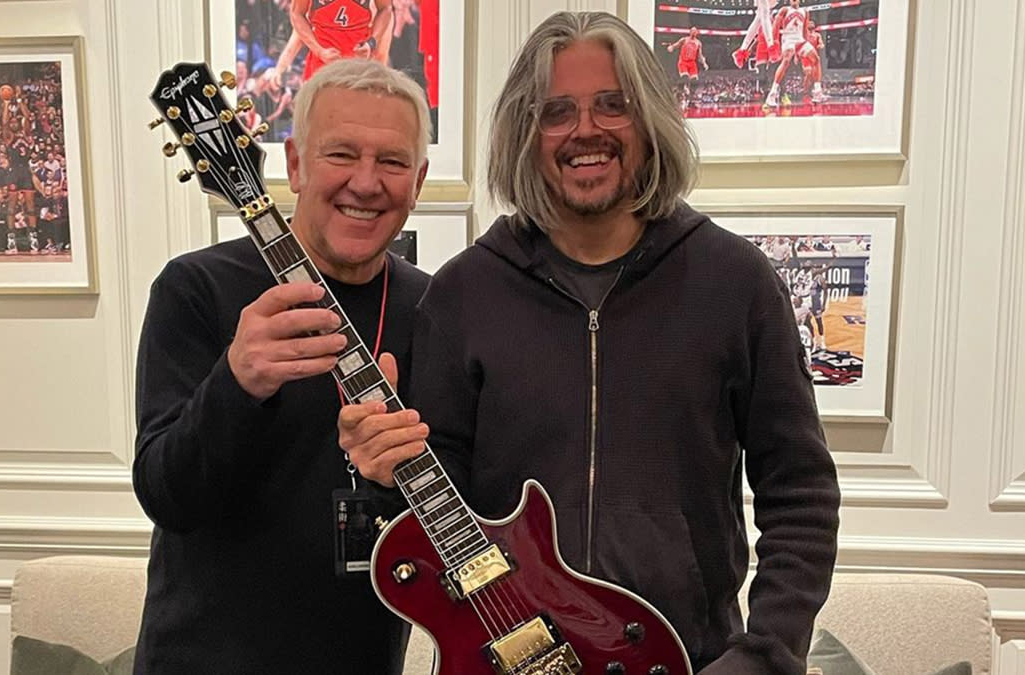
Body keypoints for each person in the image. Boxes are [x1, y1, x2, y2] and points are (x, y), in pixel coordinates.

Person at [338, 11, 840, 674]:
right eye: (556, 112)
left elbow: (801, 494)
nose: (586, 130)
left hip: (691, 659)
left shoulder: (736, 283)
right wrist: (379, 473)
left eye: (613, 105)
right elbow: (440, 520)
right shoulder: (462, 295)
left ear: (651, 119)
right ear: (526, 131)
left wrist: (766, 655)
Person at [131, 58, 431, 674]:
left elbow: (445, 523)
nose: (366, 183)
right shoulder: (196, 289)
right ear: (293, 164)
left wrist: (384, 481)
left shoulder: (435, 308)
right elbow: (167, 493)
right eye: (340, 154)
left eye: (392, 162)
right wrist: (236, 383)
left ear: (419, 180)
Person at [287, 0, 395, 81]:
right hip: (323, 64)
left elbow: (386, 8)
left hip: (359, 64)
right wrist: (319, 50)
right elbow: (296, 13)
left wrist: (371, 43)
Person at [766, 0, 811, 108]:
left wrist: (801, 51)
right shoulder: (784, 10)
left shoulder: (804, 12)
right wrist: (774, 43)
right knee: (784, 63)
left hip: (799, 41)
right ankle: (772, 94)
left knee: (811, 65)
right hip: (787, 41)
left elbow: (805, 31)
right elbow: (775, 27)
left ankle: (813, 92)